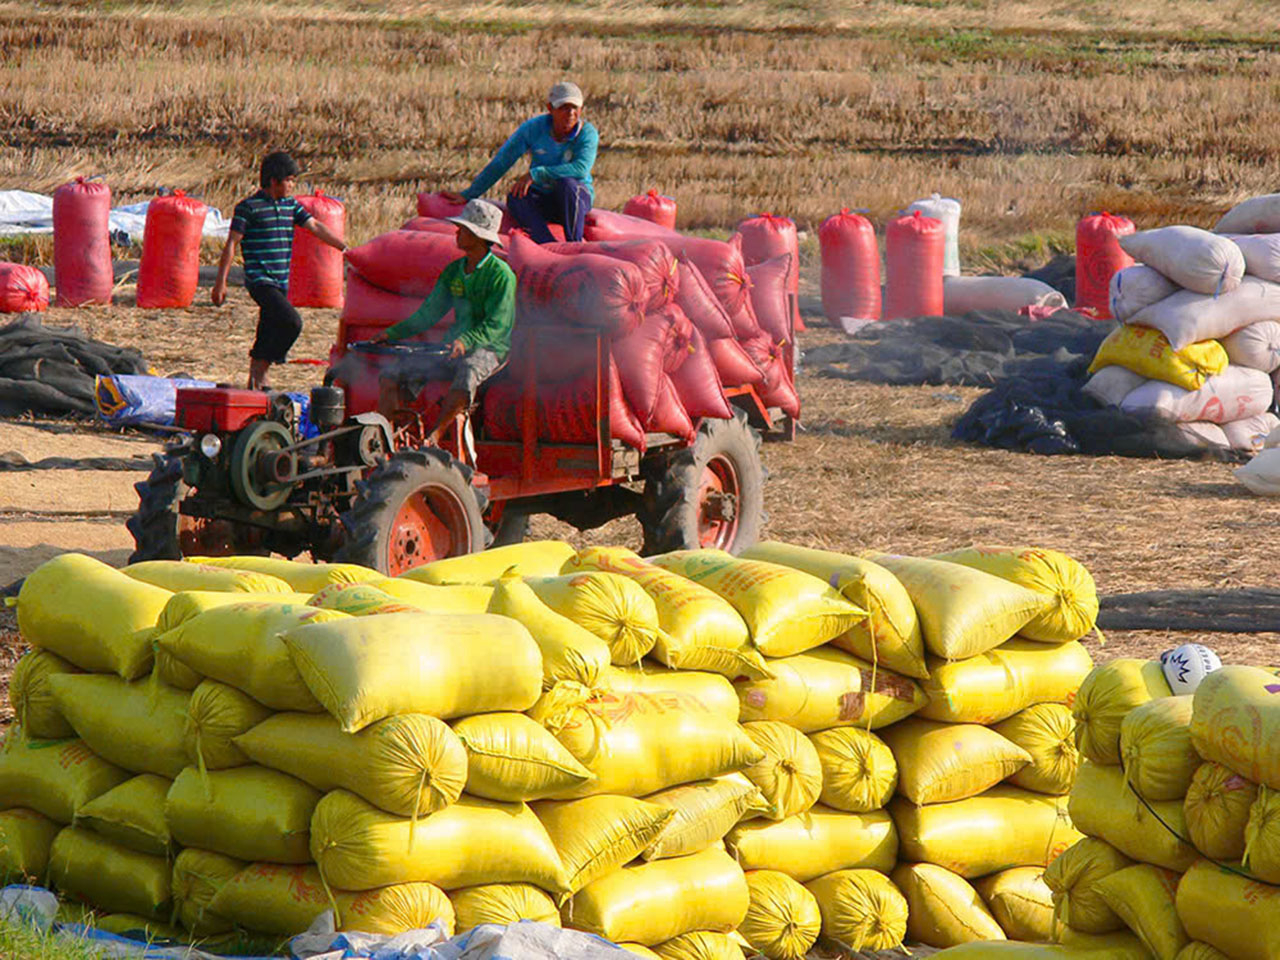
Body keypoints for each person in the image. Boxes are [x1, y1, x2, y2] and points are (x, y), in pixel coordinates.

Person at [372, 199, 515, 446]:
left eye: (464, 230)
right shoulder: (453, 271)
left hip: (490, 349)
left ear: (480, 237)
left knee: (468, 371)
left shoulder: (501, 276)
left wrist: (467, 340)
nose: (457, 233)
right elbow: (428, 314)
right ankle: (385, 438)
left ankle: (435, 435)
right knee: (392, 374)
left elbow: (497, 326)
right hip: (452, 345)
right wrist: (392, 333)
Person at [212, 151, 347, 390]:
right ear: (273, 181)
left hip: (281, 280)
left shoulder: (290, 206)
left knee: (267, 328)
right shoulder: (248, 208)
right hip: (260, 280)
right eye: (289, 180)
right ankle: (264, 368)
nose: (292, 185)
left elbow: (314, 225)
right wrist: (220, 283)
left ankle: (255, 380)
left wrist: (344, 249)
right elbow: (232, 243)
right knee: (291, 322)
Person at [442, 81, 597, 244]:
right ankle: (546, 242)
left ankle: (574, 244)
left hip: (573, 199)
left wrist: (536, 174)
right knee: (516, 197)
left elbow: (581, 168)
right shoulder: (534, 128)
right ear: (550, 109)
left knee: (567, 185)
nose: (571, 113)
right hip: (544, 197)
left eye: (575, 108)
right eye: (564, 108)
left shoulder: (587, 133)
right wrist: (470, 194)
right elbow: (502, 161)